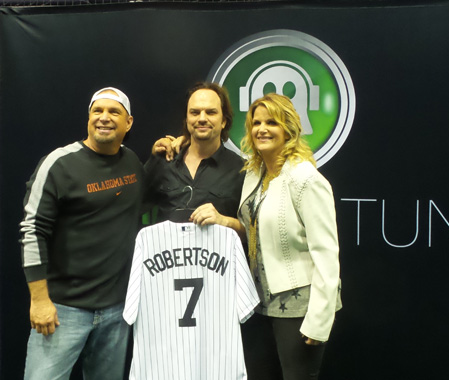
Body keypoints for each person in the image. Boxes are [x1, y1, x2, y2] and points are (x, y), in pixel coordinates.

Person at [19, 87, 144, 380]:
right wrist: (39, 300)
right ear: (88, 118)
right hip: (63, 311)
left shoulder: (133, 164)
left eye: (114, 112)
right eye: (97, 111)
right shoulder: (59, 163)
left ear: (128, 123)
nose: (104, 118)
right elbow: (32, 230)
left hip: (116, 311)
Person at [237, 93, 342, 380]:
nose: (262, 129)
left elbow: (326, 253)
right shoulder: (254, 173)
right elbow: (258, 229)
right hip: (258, 304)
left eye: (271, 122)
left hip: (298, 309)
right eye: (256, 122)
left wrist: (319, 322)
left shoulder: (306, 179)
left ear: (289, 129)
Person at [146, 82, 245, 235]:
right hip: (167, 258)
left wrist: (224, 221)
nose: (202, 118)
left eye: (211, 112)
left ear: (224, 121)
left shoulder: (241, 170)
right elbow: (130, 209)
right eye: (195, 112)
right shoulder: (164, 160)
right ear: (186, 119)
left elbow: (254, 234)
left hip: (216, 258)